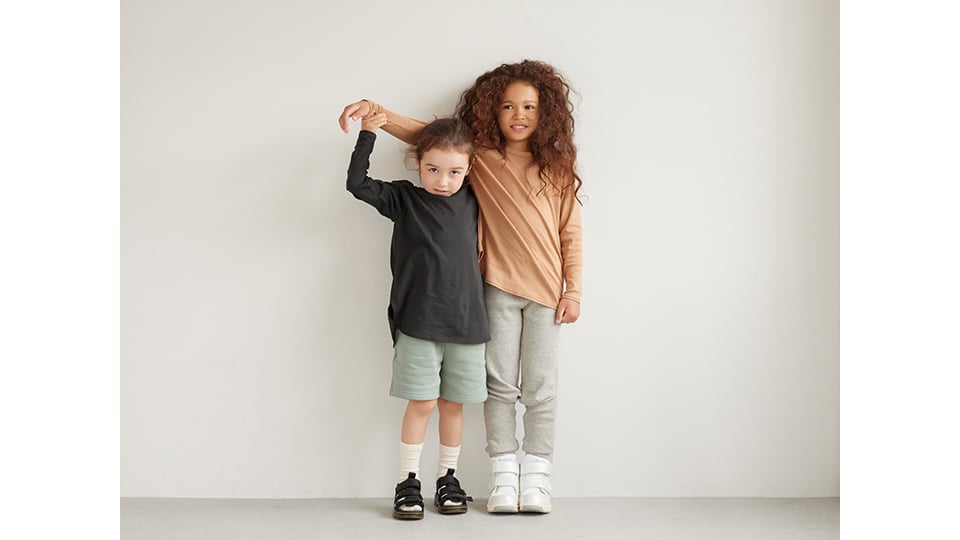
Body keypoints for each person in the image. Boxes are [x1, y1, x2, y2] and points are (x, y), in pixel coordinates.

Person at [338, 59, 583, 515]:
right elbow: (431, 138)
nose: (518, 114)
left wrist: (574, 290)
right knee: (498, 387)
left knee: (540, 389)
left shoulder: (557, 168)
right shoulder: (481, 159)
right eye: (508, 105)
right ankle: (502, 475)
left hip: (545, 294)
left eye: (529, 106)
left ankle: (537, 477)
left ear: (545, 112)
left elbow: (572, 231)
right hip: (494, 290)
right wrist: (378, 114)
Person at [345, 114, 490, 520]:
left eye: (454, 171)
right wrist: (370, 132)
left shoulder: (475, 198)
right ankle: (408, 482)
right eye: (433, 169)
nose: (443, 180)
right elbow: (357, 184)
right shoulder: (404, 199)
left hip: (467, 325)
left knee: (453, 406)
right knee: (422, 403)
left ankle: (448, 479)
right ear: (417, 162)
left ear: (469, 168)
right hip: (418, 322)